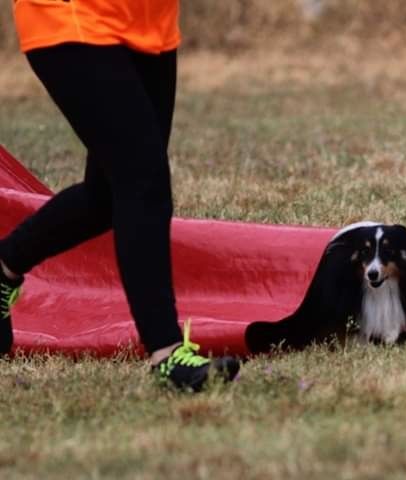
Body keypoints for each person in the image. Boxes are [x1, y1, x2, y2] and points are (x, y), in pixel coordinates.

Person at [0, 0, 240, 391]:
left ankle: (5, 265)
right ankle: (166, 354)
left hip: (149, 24)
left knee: (107, 196)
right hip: (73, 18)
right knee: (143, 185)